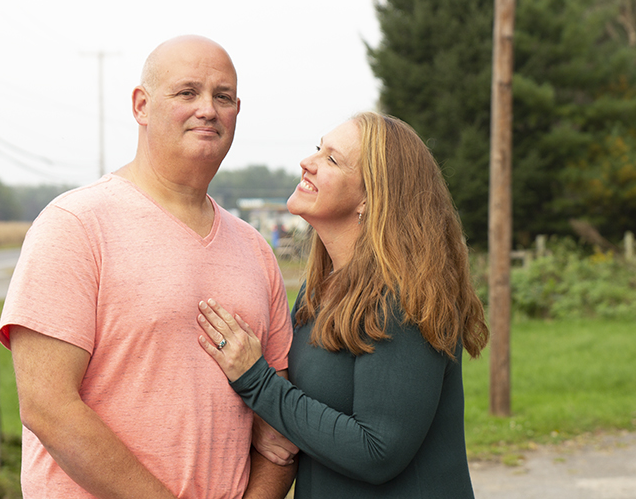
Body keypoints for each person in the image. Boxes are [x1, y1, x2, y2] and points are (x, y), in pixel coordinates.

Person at [0, 35, 298, 499]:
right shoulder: (75, 225)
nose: (207, 109)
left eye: (223, 97)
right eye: (187, 92)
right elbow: (48, 408)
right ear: (141, 104)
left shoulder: (256, 250)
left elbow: (279, 427)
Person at [195, 112, 490, 498]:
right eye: (318, 149)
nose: (307, 162)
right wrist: (261, 419)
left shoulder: (403, 297)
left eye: (331, 159)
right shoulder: (320, 289)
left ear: (371, 198)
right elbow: (308, 413)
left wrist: (256, 381)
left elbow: (377, 452)